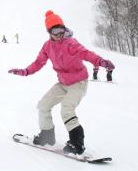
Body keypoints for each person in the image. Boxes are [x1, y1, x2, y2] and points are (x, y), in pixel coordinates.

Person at [8, 10, 115, 155]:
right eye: (55, 30)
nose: (59, 34)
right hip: (63, 84)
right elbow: (39, 63)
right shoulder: (47, 46)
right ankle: (47, 136)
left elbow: (87, 54)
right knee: (43, 106)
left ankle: (77, 144)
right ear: (49, 31)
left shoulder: (71, 43)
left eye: (61, 29)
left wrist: (101, 61)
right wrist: (25, 71)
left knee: (66, 109)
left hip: (78, 83)